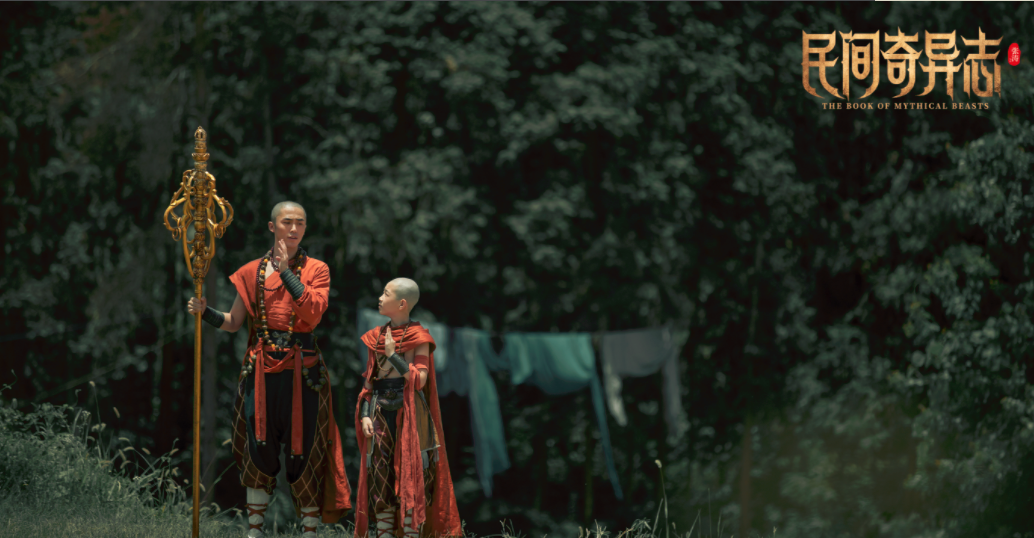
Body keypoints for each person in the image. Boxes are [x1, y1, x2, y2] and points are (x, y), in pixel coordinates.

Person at [187, 201, 351, 538]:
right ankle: (255, 530)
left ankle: (309, 531)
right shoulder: (251, 271)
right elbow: (234, 322)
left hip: (303, 372)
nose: (294, 229)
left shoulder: (317, 269)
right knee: (257, 446)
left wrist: (286, 270)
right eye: (287, 222)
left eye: (300, 223)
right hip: (260, 371)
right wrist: (205, 312)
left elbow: (313, 314)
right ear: (272, 226)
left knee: (305, 448)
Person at [354, 278, 461, 538]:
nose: (380, 298)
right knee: (380, 474)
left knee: (413, 474)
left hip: (411, 414)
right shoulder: (375, 337)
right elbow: (368, 384)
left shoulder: (419, 338)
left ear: (402, 303)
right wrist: (365, 415)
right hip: (379, 412)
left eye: (385, 293)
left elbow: (419, 380)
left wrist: (393, 355)